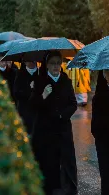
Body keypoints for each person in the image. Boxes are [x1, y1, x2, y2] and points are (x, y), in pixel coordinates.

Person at [29, 51, 78, 195]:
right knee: (49, 160)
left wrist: (63, 115)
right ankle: (49, 188)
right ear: (47, 65)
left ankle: (67, 188)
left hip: (63, 128)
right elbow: (32, 104)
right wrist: (43, 96)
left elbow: (73, 104)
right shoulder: (39, 81)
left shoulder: (66, 80)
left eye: (58, 62)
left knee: (66, 160)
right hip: (46, 130)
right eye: (52, 63)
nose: (56, 66)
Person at [13, 61, 38, 135]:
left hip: (38, 112)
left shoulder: (41, 73)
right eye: (28, 59)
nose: (30, 62)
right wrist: (29, 89)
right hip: (24, 111)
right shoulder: (20, 74)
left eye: (33, 59)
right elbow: (16, 93)